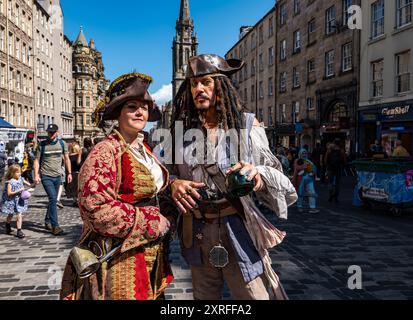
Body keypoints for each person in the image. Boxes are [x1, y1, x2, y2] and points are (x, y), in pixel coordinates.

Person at [169, 54, 297, 300]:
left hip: (237, 226)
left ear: (221, 85)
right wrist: (174, 183)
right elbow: (169, 175)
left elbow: (277, 174)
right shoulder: (180, 131)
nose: (199, 89)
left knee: (253, 296)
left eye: (206, 82)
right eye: (194, 84)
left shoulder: (248, 125)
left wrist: (257, 174)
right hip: (197, 230)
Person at [60, 72, 175, 300]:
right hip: (119, 257)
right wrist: (151, 221)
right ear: (118, 113)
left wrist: (174, 187)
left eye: (144, 107)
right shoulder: (105, 150)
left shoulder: (145, 150)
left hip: (150, 251)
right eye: (132, 106)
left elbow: (151, 188)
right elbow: (94, 207)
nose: (140, 112)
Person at [33, 124, 72, 236]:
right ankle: (55, 226)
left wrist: (69, 173)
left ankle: (47, 221)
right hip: (46, 176)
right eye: (49, 132)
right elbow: (36, 160)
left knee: (52, 200)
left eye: (53, 132)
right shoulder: (42, 145)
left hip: (58, 175)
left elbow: (67, 158)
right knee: (53, 198)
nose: (50, 134)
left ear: (57, 133)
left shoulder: (62, 144)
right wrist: (36, 175)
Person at [2, 164, 32, 238]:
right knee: (10, 215)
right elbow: (9, 193)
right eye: (17, 172)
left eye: (20, 172)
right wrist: (19, 190)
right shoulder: (10, 182)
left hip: (19, 201)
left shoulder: (21, 179)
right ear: (12, 173)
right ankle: (7, 224)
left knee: (19, 215)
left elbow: (30, 185)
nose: (20, 173)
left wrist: (35, 183)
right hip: (11, 201)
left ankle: (19, 231)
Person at [292, 149, 319, 214]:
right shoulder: (297, 160)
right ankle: (299, 206)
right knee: (300, 192)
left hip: (309, 178)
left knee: (312, 192)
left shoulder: (309, 161)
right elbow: (297, 167)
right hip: (300, 178)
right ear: (300, 154)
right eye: (303, 153)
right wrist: (304, 167)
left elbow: (314, 168)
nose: (304, 155)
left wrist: (313, 172)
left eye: (305, 153)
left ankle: (312, 207)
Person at [324, 139, 346, 203]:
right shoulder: (341, 151)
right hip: (338, 168)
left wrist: (327, 166)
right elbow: (344, 160)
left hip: (330, 168)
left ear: (334, 143)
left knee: (330, 182)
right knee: (337, 183)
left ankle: (330, 195)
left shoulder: (329, 150)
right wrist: (343, 166)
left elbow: (325, 160)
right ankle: (336, 197)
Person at [64, 142, 82, 206]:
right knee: (77, 187)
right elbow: (79, 163)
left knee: (73, 188)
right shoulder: (79, 155)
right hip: (78, 172)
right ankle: (77, 200)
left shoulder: (68, 156)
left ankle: (75, 200)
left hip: (71, 173)